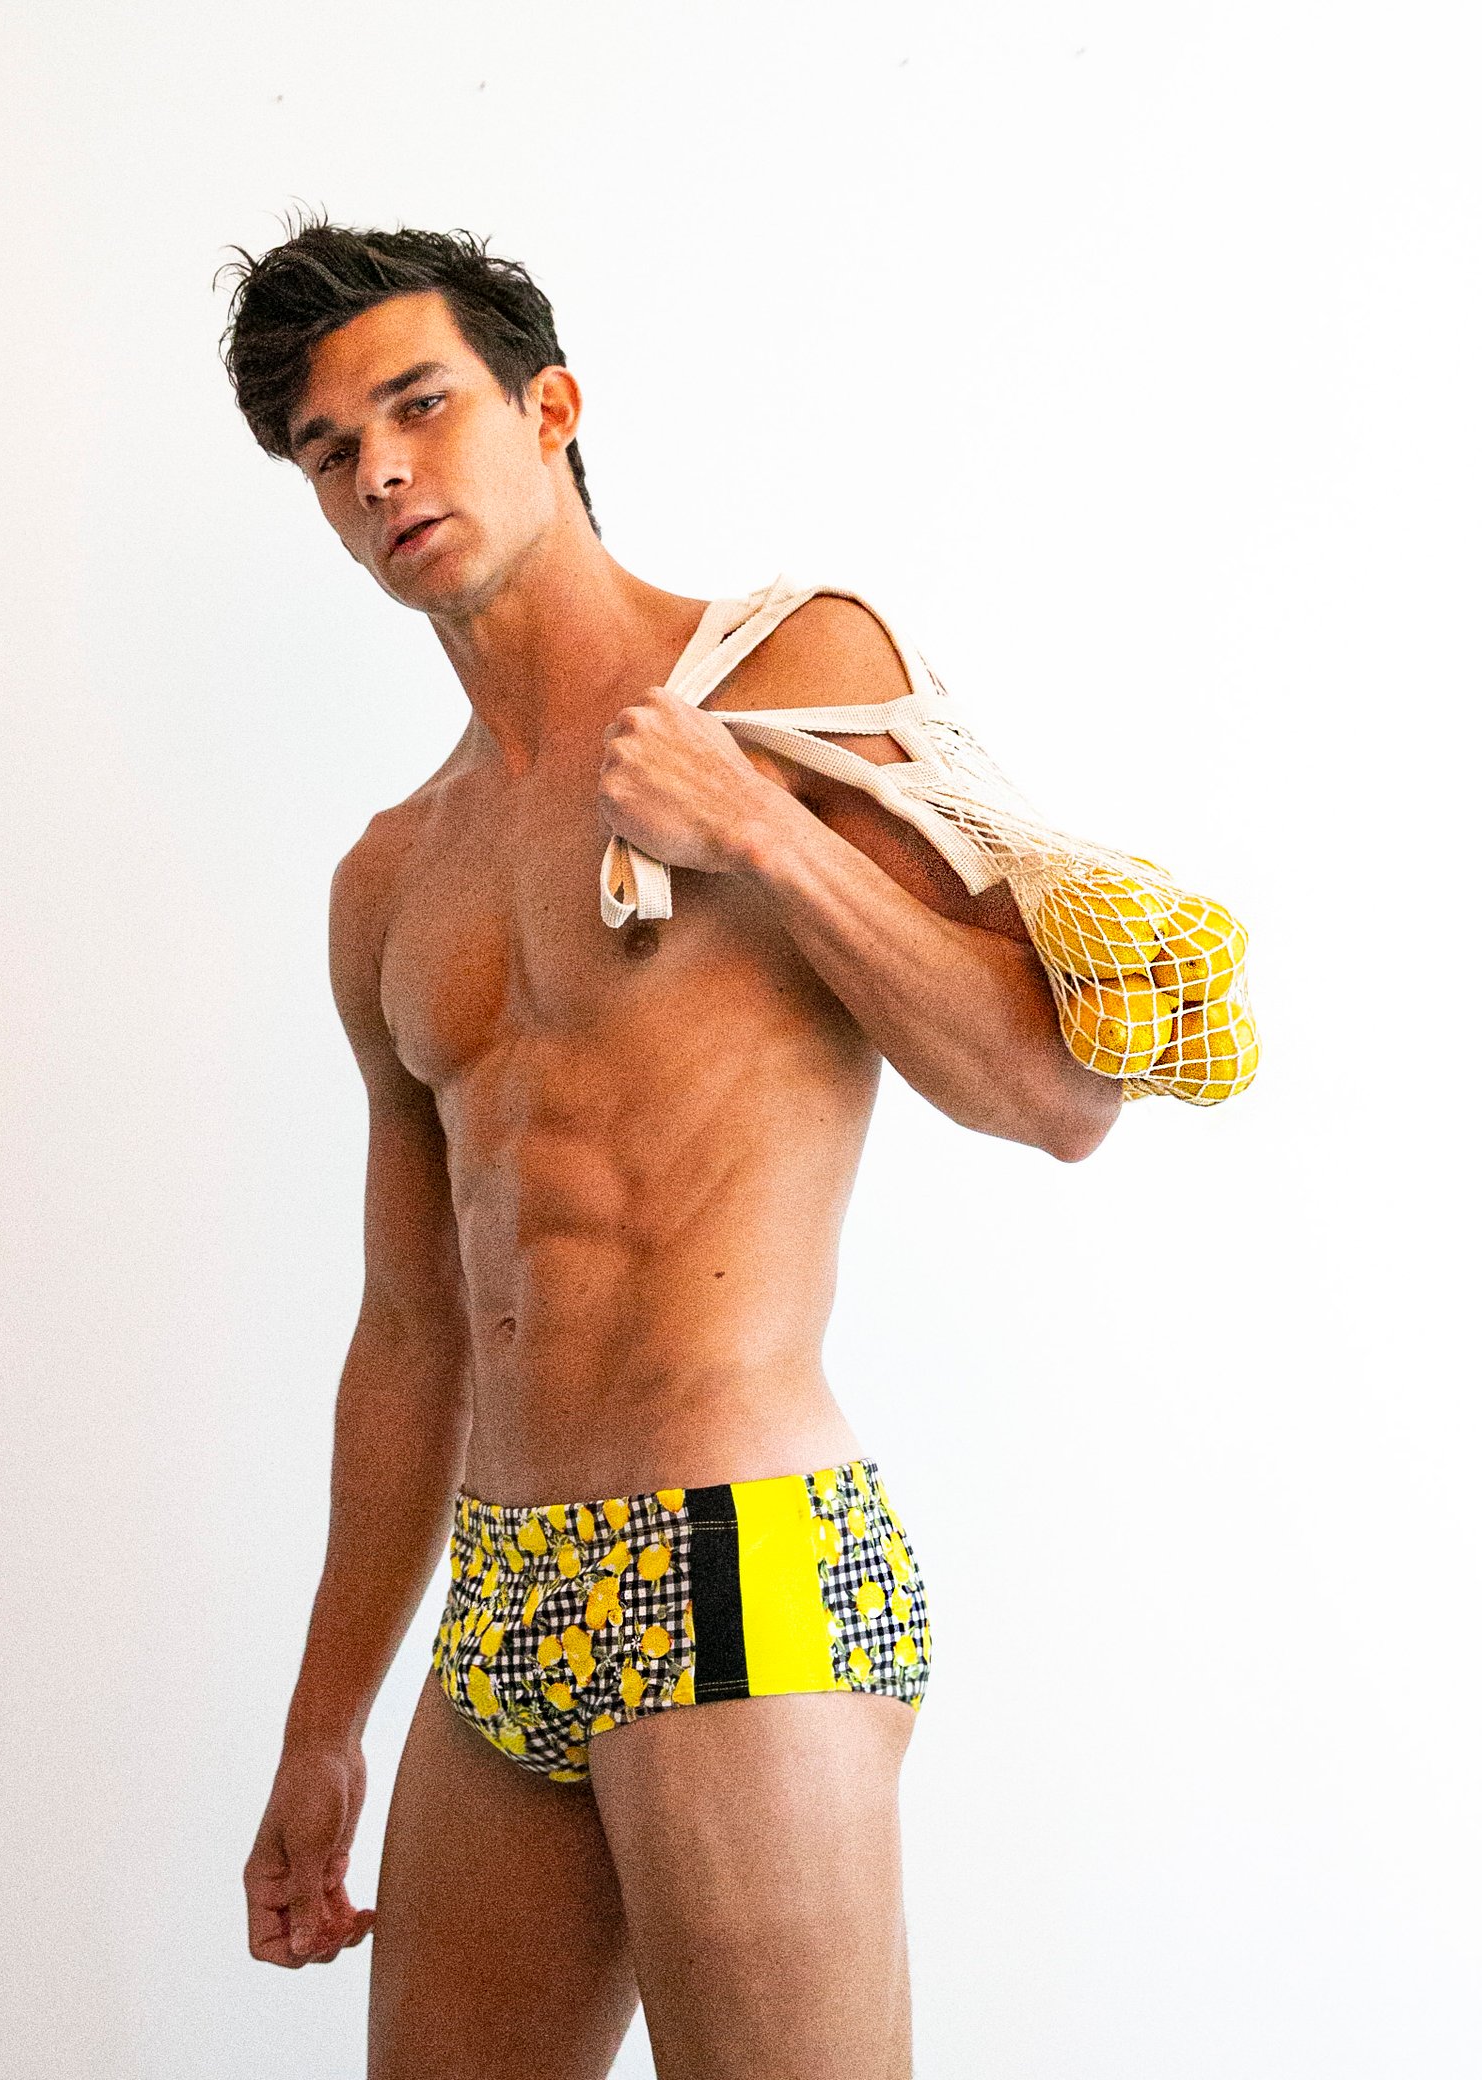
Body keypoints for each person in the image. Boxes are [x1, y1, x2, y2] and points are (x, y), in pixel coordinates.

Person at [219, 216, 1121, 2080]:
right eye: (329, 449)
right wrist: (322, 1725)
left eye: (419, 405)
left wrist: (764, 837)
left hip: (740, 1545)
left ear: (549, 408)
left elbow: (1057, 1096)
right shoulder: (389, 878)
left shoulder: (787, 669)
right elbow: (411, 1334)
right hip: (505, 1608)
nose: (379, 470)